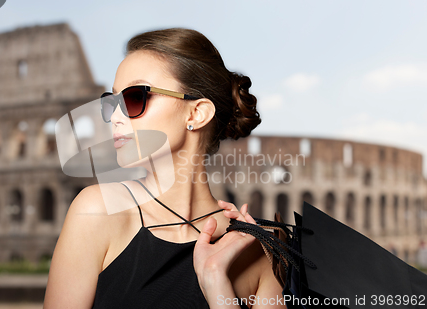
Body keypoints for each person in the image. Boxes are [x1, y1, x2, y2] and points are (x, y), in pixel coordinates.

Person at [43, 28, 284, 309]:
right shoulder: (97, 211)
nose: (115, 117)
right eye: (111, 103)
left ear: (196, 113)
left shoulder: (262, 250)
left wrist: (216, 282)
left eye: (135, 98)